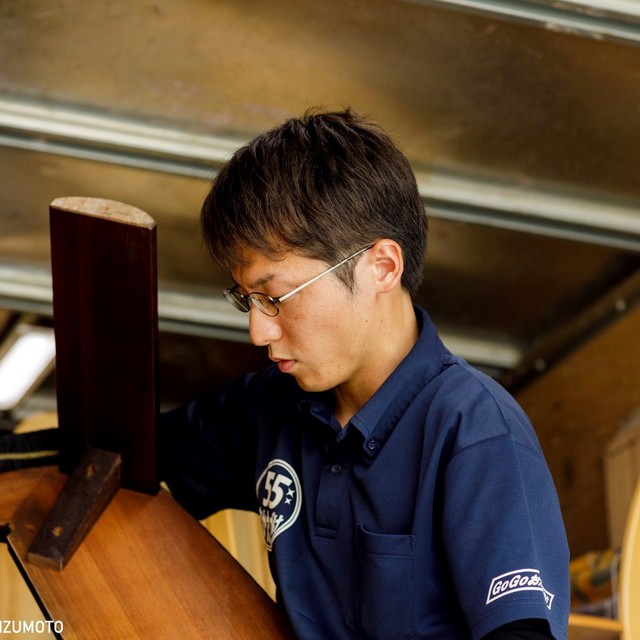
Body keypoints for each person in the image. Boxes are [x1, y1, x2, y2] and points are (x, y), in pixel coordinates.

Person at [1, 108, 569, 639]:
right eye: (245, 300)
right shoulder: (269, 409)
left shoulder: (475, 431)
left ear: (382, 266)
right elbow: (120, 455)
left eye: (275, 296)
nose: (258, 332)